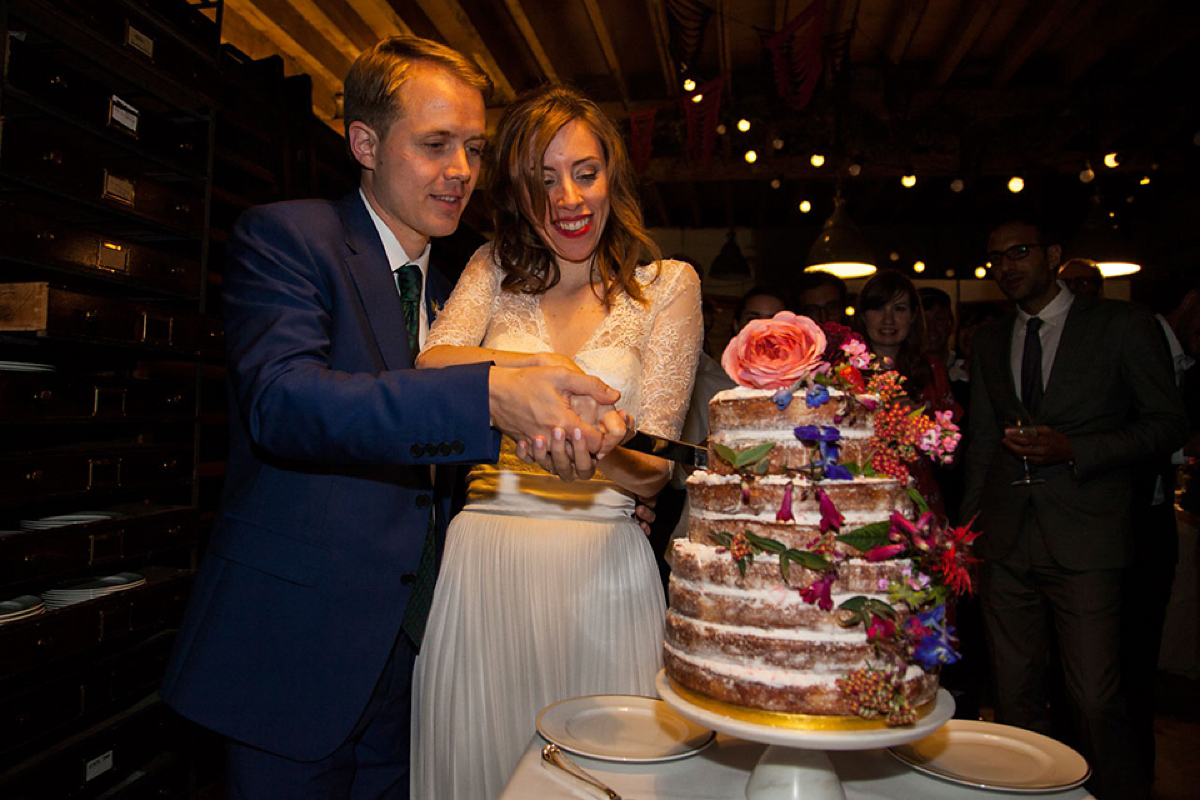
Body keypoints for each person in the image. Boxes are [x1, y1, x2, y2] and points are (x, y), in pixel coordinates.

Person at [160, 38, 624, 800]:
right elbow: (284, 403)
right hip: (296, 657)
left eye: (474, 149)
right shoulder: (288, 237)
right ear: (365, 143)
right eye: (435, 145)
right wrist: (485, 397)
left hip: (418, 661)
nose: (462, 172)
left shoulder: (455, 294)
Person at [411, 84, 703, 799]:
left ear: (612, 175)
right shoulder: (490, 270)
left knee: (602, 777)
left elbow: (651, 474)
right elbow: (431, 364)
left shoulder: (666, 286)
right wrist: (547, 377)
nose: (568, 199)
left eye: (584, 172)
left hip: (602, 574)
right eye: (541, 182)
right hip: (483, 564)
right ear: (515, 193)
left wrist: (597, 447)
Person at [962, 218, 1188, 799]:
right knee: (1013, 699)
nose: (1006, 266)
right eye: (996, 258)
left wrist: (1076, 450)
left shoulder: (1123, 326)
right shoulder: (989, 340)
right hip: (1006, 540)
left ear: (1053, 255)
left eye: (1019, 252)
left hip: (1088, 538)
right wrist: (965, 534)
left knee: (1094, 697)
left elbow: (1166, 425)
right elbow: (984, 441)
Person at [853, 270, 962, 517]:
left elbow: (952, 456)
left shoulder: (932, 370)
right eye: (878, 308)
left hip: (920, 502)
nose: (888, 320)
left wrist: (921, 421)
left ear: (913, 316)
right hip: (862, 500)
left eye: (899, 309)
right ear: (863, 315)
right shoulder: (844, 373)